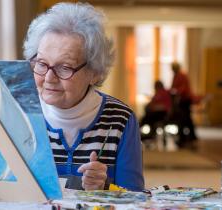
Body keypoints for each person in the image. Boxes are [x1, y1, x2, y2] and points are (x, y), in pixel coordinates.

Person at [23, 2, 144, 191]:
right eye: (41, 64)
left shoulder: (120, 119)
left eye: (64, 67)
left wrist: (104, 187)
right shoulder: (19, 113)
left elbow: (135, 197)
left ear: (94, 73)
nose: (48, 78)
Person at [170, 62, 197, 148]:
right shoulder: (176, 76)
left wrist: (176, 93)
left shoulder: (181, 76)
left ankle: (186, 138)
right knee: (185, 120)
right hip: (181, 100)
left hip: (184, 100)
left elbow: (182, 89)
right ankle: (189, 137)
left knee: (184, 119)